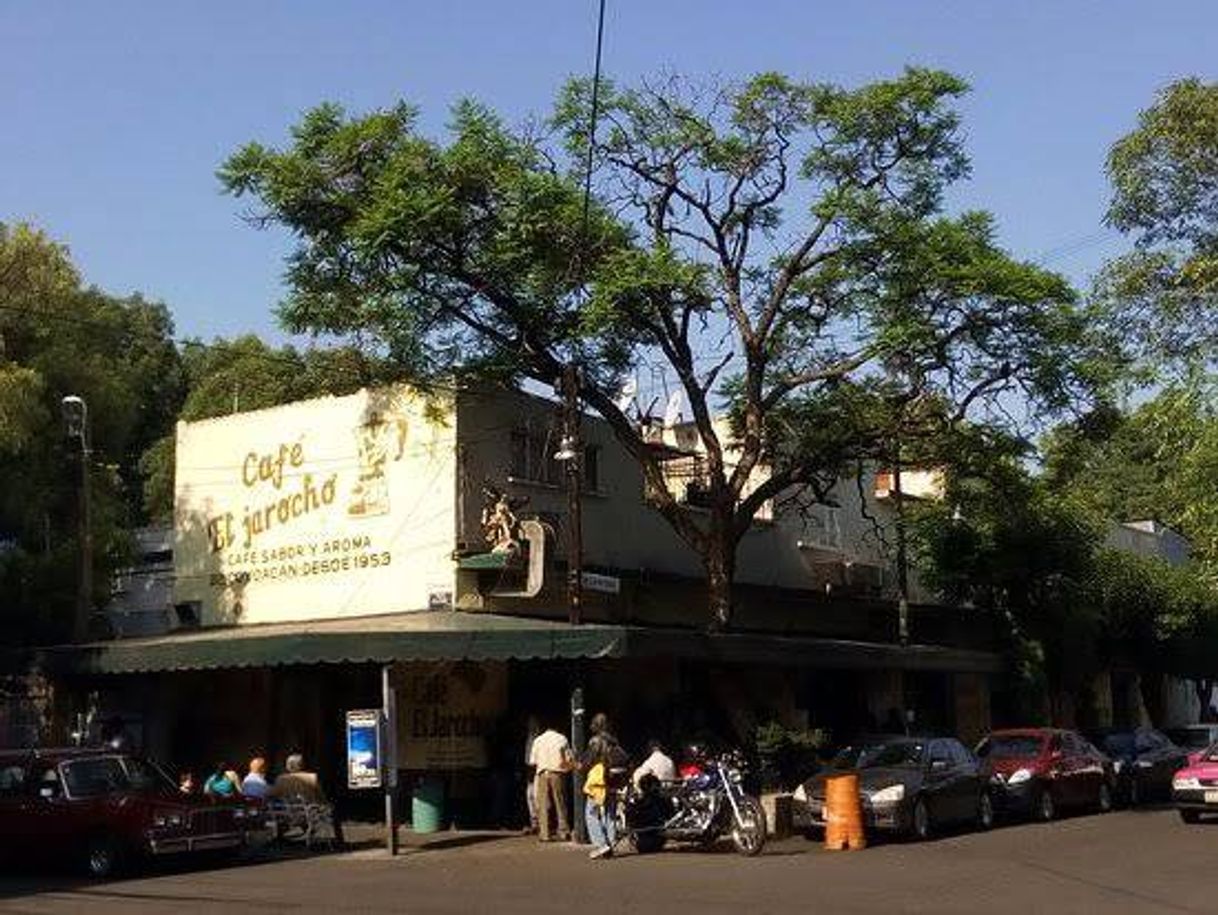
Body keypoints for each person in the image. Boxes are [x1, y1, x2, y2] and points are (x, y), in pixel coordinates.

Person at [582, 713, 626, 860]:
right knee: (610, 814)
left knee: (591, 813)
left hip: (599, 783)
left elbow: (587, 761)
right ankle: (611, 844)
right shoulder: (614, 740)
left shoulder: (596, 741)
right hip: (613, 782)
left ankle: (601, 844)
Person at [529, 723, 573, 842]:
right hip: (557, 772)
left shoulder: (538, 740)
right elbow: (569, 759)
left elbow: (532, 761)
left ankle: (545, 834)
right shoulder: (562, 738)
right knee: (560, 802)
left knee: (542, 804)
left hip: (543, 773)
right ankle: (563, 831)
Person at [523, 715, 541, 834]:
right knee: (530, 796)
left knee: (537, 797)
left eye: (533, 723)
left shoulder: (540, 739)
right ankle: (534, 823)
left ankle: (541, 824)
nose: (531, 726)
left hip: (538, 772)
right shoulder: (529, 738)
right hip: (530, 773)